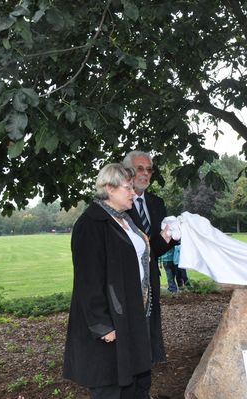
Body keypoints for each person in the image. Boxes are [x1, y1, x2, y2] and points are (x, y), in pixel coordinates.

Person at [63, 163, 169, 398]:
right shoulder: (91, 224)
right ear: (109, 188)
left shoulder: (127, 219)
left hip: (133, 316)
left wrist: (166, 237)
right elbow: (88, 281)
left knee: (133, 383)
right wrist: (103, 325)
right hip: (111, 322)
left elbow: (142, 257)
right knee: (109, 385)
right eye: (128, 188)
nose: (133, 193)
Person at [123, 151, 173, 276]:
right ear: (127, 172)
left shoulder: (157, 203)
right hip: (126, 276)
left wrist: (173, 236)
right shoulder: (118, 205)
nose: (145, 173)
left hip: (152, 275)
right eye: (140, 169)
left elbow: (157, 246)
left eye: (149, 170)